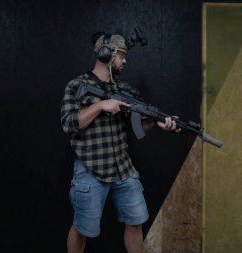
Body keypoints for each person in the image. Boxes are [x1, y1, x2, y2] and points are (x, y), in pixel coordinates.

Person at [61, 32, 178, 253]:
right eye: (122, 55)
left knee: (136, 221)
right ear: (106, 54)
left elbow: (136, 129)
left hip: (123, 168)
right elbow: (68, 123)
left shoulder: (121, 89)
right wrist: (99, 105)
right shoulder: (78, 85)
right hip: (91, 169)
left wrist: (157, 123)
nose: (125, 61)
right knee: (82, 228)